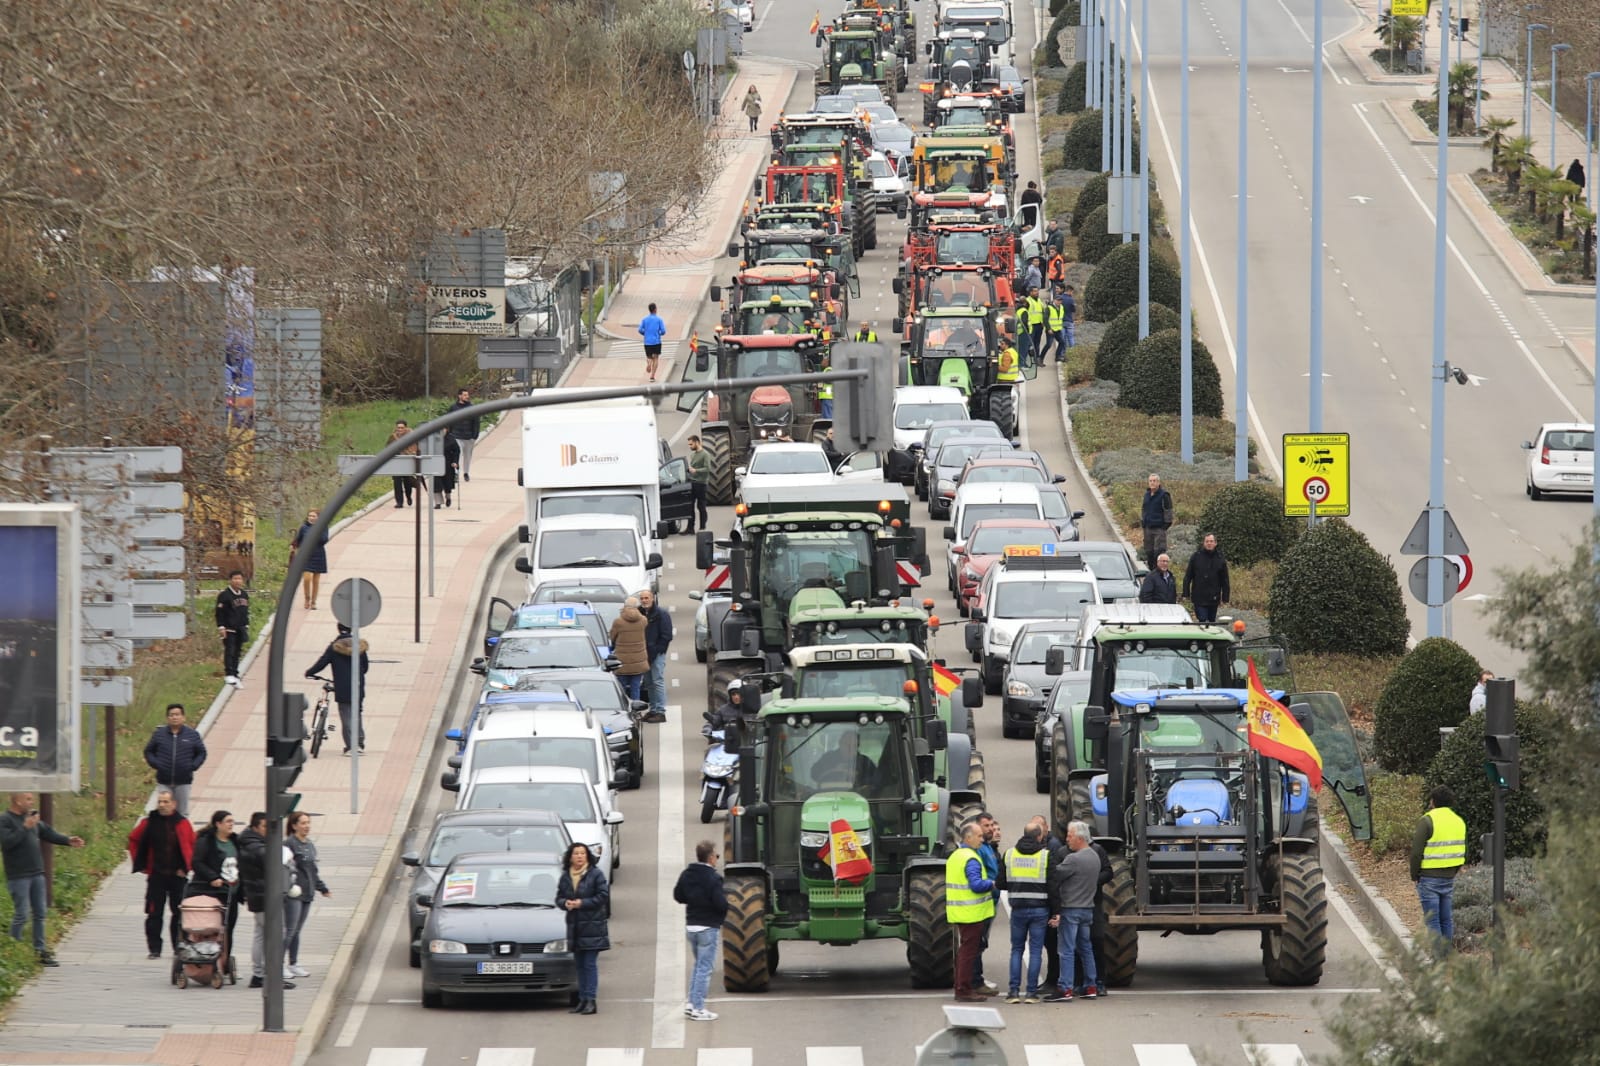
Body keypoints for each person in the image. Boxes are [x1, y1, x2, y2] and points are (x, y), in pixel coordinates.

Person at [2, 791, 85, 966]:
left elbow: (48, 833)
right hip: (19, 876)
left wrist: (67, 840)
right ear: (17, 800)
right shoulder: (5, 820)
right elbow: (7, 843)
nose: (32, 802)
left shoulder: (32, 819)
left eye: (32, 799)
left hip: (37, 874)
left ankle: (40, 952)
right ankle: (12, 953)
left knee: (40, 913)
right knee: (22, 914)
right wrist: (25, 827)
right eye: (28, 799)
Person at [128, 790, 195, 959]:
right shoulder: (149, 822)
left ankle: (179, 946)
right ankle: (154, 949)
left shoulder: (182, 823)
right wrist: (141, 863)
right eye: (160, 802)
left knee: (179, 912)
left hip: (177, 876)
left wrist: (187, 867)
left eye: (166, 802)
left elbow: (192, 845)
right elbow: (133, 840)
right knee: (154, 913)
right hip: (156, 874)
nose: (162, 805)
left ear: (174, 803)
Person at [999, 817, 1053, 1003]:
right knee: (1036, 951)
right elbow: (1053, 885)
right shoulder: (1045, 855)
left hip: (1018, 909)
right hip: (1040, 909)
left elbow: (1000, 883)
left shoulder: (1009, 854)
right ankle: (1031, 993)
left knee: (1016, 950)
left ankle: (1013, 992)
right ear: (1039, 836)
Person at [1044, 820, 1099, 1001]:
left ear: (1080, 838)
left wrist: (1047, 861)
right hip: (1087, 909)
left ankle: (1065, 988)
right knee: (1086, 948)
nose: (1067, 839)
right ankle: (1091, 985)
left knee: (1066, 950)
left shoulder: (1073, 859)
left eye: (1070, 836)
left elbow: (1055, 874)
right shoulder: (1094, 856)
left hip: (1071, 909)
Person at [674, 840, 729, 1021]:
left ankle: (691, 1003)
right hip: (708, 927)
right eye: (716, 856)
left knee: (698, 965)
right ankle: (698, 1007)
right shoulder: (713, 878)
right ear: (711, 857)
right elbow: (720, 904)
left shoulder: (687, 874)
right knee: (705, 968)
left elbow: (678, 895)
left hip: (691, 926)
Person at [556, 841, 611, 1015]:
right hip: (574, 927)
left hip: (592, 927)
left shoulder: (595, 874)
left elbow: (603, 896)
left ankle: (591, 1000)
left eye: (582, 853)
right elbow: (558, 898)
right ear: (570, 857)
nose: (579, 856)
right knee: (579, 965)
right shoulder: (566, 876)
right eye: (576, 853)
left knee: (589, 964)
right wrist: (566, 903)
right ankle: (582, 999)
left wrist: (582, 903)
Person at [187, 810, 244, 972]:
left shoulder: (235, 841)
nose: (231, 824)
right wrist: (213, 878)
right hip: (211, 893)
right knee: (209, 928)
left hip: (231, 893)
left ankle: (225, 963)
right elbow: (197, 862)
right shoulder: (207, 842)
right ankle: (203, 959)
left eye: (232, 821)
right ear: (218, 824)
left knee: (228, 929)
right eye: (228, 821)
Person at [1411, 786, 1465, 954]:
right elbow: (1463, 850)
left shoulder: (1427, 820)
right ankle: (1446, 956)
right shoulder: (1458, 821)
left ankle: (1438, 959)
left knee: (1433, 921)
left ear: (1433, 802)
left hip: (1428, 878)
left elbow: (1416, 853)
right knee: (1446, 919)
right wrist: (1453, 871)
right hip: (1449, 877)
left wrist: (1414, 875)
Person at [946, 823, 996, 1002]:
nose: (982, 840)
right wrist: (991, 883)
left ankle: (961, 986)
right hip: (971, 913)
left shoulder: (956, 856)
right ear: (968, 838)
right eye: (979, 836)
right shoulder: (971, 858)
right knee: (969, 953)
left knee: (964, 951)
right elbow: (976, 885)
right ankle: (964, 990)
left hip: (960, 912)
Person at [306, 624, 371, 754]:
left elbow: (322, 663)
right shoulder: (360, 646)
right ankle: (359, 742)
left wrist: (310, 672)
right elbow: (365, 667)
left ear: (338, 629)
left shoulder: (334, 648)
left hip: (342, 686)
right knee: (356, 712)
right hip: (358, 685)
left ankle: (351, 746)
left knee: (346, 714)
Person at [284, 811, 330, 978]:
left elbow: (312, 870)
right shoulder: (289, 844)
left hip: (308, 892)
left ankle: (294, 963)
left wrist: (322, 887)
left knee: (296, 931)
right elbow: (286, 868)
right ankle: (279, 964)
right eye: (303, 823)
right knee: (289, 930)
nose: (306, 826)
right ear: (294, 825)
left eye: (308, 823)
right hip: (294, 893)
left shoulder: (309, 844)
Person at [143, 703, 206, 817]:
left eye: (177, 714)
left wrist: (192, 766)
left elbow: (201, 752)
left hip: (184, 781)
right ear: (167, 718)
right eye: (171, 715)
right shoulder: (159, 734)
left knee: (182, 813)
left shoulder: (192, 735)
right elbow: (148, 751)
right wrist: (157, 764)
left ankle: (181, 834)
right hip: (164, 780)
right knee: (164, 811)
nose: (174, 717)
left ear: (183, 717)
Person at [974, 812, 1002, 996]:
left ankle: (977, 979)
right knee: (976, 944)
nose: (991, 828)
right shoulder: (979, 850)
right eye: (987, 826)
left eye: (992, 825)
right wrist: (993, 884)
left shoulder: (989, 848)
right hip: (980, 904)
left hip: (990, 902)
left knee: (981, 943)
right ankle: (975, 981)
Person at [639, 588, 673, 724]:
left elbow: (667, 635)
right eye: (642, 598)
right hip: (643, 653)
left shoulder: (661, 614)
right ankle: (653, 709)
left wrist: (658, 649)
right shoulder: (639, 613)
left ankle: (660, 711)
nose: (644, 601)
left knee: (657, 681)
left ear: (652, 598)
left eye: (646, 598)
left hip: (656, 653)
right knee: (648, 683)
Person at [609, 596, 651, 702]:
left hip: (622, 661)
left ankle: (624, 709)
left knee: (621, 688)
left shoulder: (618, 622)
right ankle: (636, 710)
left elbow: (612, 637)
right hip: (638, 660)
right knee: (635, 688)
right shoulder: (643, 620)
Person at [1181, 533, 1230, 623]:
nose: (1209, 543)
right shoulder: (1196, 557)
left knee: (1211, 621)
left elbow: (1225, 580)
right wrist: (1186, 593)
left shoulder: (1220, 558)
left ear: (1215, 543)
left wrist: (1225, 598)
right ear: (1204, 543)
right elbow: (1188, 576)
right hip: (1199, 597)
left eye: (1211, 541)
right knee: (1202, 620)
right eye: (1207, 541)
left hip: (1214, 598)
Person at [292, 509, 329, 611]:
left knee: (316, 581)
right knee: (307, 578)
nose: (311, 518)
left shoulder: (323, 527)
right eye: (310, 516)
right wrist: (294, 546)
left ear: (318, 518)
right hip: (306, 555)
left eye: (314, 516)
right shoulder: (303, 528)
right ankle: (307, 598)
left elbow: (324, 539)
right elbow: (298, 540)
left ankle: (313, 601)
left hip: (318, 554)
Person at [812, 731, 877, 789]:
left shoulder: (865, 762)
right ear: (840, 744)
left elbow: (876, 780)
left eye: (854, 746)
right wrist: (834, 770)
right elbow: (814, 773)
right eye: (847, 745)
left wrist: (857, 776)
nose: (850, 748)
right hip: (829, 795)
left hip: (857, 798)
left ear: (857, 747)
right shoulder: (828, 758)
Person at [1139, 473, 1174, 571]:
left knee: (1158, 553)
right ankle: (1150, 572)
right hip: (1148, 529)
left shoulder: (1164, 495)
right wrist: (1143, 522)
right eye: (1150, 481)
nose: (1152, 483)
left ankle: (1158, 573)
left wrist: (1164, 526)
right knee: (1149, 552)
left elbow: (1169, 511)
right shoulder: (1146, 495)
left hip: (1159, 529)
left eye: (1154, 481)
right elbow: (1144, 509)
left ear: (1159, 482)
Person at [447, 387, 480, 482]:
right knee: (458, 454)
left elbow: (476, 422)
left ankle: (466, 473)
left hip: (469, 437)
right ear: (459, 396)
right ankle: (456, 473)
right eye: (465, 395)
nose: (467, 397)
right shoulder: (453, 408)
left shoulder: (472, 408)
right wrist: (450, 434)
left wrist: (475, 436)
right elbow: (448, 420)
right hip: (456, 436)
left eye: (467, 395)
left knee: (467, 456)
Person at [388, 419, 420, 508]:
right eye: (398, 428)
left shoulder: (411, 436)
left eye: (402, 428)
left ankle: (408, 496)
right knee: (397, 483)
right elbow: (387, 448)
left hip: (407, 462)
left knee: (407, 482)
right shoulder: (393, 437)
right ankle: (399, 502)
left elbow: (415, 448)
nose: (400, 429)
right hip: (396, 462)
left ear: (406, 428)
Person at [686, 435, 711, 533]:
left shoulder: (705, 454)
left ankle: (702, 527)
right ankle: (690, 528)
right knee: (690, 506)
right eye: (689, 444)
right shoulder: (692, 455)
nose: (690, 446)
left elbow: (707, 468)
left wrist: (696, 470)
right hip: (692, 483)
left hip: (701, 484)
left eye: (691, 444)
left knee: (701, 506)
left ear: (697, 442)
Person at [640, 302, 667, 382]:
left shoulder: (645, 320)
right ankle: (652, 376)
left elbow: (640, 330)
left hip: (647, 342)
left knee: (649, 357)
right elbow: (663, 331)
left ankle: (649, 363)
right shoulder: (659, 320)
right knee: (656, 358)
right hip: (656, 341)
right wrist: (659, 333)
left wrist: (645, 333)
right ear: (655, 309)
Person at [432, 432, 460, 509]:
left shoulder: (451, 438)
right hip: (435, 464)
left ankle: (448, 497)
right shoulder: (433, 438)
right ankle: (438, 502)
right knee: (436, 484)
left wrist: (455, 462)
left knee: (447, 484)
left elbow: (456, 451)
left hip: (448, 464)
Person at [1060, 284, 1077, 349]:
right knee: (1070, 337)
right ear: (1069, 291)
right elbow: (1073, 310)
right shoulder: (1071, 299)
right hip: (1069, 320)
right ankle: (1072, 352)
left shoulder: (1060, 298)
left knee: (1063, 338)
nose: (1072, 294)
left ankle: (1063, 353)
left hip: (1061, 321)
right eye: (1072, 292)